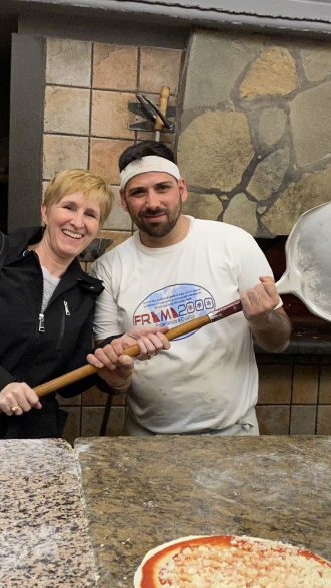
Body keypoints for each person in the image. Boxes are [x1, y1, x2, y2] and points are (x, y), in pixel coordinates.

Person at [0, 168, 169, 440]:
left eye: (90, 215)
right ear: (45, 211)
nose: (78, 222)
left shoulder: (84, 290)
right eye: (69, 207)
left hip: (32, 440)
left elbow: (68, 379)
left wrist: (113, 360)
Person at [90, 141, 292, 436]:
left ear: (181, 189)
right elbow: (110, 361)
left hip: (233, 434)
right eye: (138, 192)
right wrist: (116, 366)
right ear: (123, 200)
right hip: (147, 440)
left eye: (162, 188)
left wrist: (264, 320)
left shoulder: (233, 244)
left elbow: (277, 342)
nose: (153, 203)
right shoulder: (108, 267)